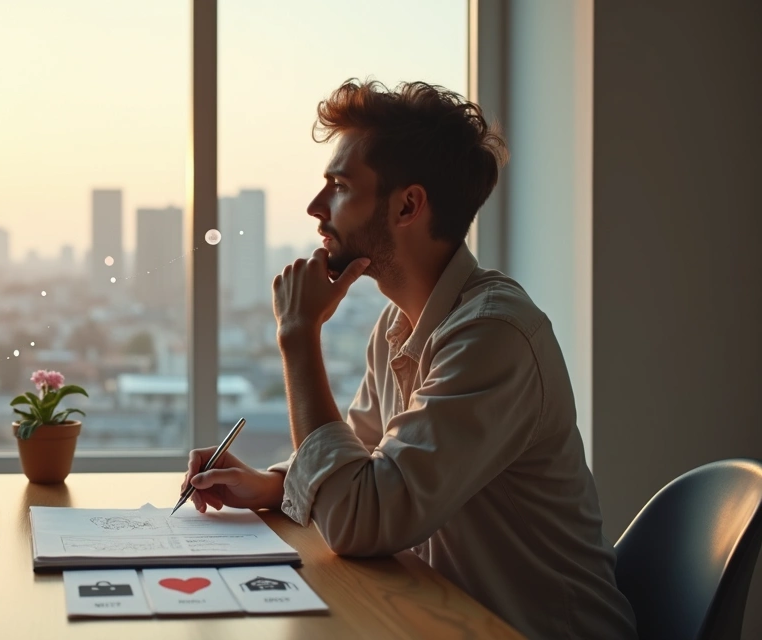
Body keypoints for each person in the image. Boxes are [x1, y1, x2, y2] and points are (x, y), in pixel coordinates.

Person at [181, 79, 636, 639]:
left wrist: (298, 335)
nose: (316, 208)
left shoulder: (493, 335)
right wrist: (270, 485)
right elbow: (368, 463)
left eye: (339, 187)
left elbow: (359, 520)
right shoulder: (399, 325)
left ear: (407, 205)